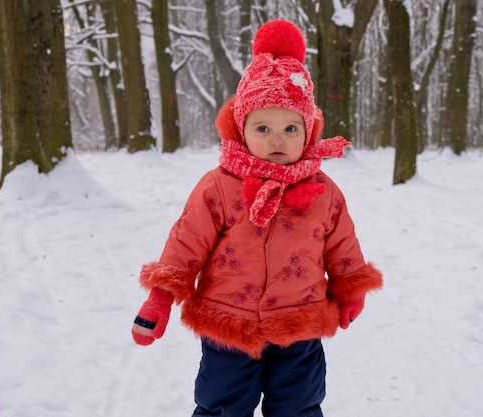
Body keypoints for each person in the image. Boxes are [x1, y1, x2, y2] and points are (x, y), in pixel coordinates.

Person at [131, 19, 383, 417]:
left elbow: (341, 245)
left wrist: (351, 287)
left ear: (308, 131)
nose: (277, 139)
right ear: (241, 129)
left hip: (299, 325)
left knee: (299, 406)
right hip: (228, 326)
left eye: (290, 127)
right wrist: (161, 296)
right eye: (263, 127)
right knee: (221, 405)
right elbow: (185, 244)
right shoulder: (219, 186)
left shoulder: (323, 191)